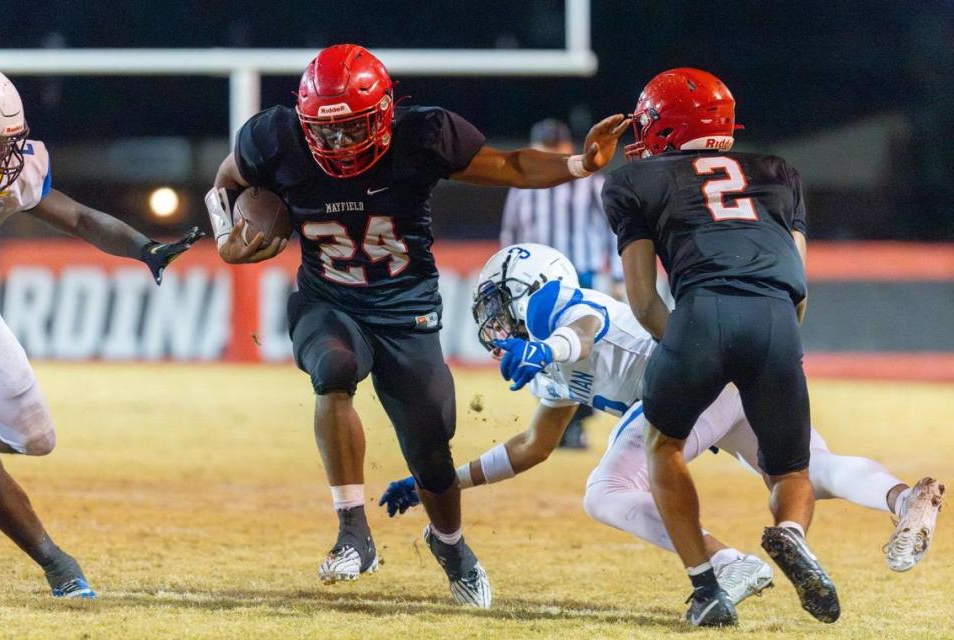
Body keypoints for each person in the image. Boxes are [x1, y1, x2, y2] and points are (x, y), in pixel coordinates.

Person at [204, 44, 629, 608]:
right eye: (323, 132)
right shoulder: (275, 137)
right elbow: (225, 180)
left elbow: (512, 166)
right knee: (332, 370)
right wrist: (224, 234)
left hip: (407, 309)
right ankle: (353, 533)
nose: (337, 144)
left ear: (383, 114)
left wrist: (580, 164)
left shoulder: (423, 136)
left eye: (351, 128)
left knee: (431, 447)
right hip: (329, 298)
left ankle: (450, 545)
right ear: (302, 121)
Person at [379, 243, 945, 607]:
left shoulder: (564, 307)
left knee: (605, 491)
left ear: (528, 291)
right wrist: (445, 481)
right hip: (726, 381)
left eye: (500, 304)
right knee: (809, 471)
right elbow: (532, 446)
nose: (495, 322)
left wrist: (544, 347)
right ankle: (902, 498)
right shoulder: (544, 362)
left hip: (690, 386)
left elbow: (582, 326)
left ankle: (729, 564)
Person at [603, 67, 834, 626]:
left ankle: (707, 588)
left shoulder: (633, 182)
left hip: (701, 312)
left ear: (663, 126)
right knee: (790, 470)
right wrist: (766, 349)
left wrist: (685, 353)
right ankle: (791, 532)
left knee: (663, 447)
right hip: (776, 317)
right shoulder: (779, 173)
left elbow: (642, 299)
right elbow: (797, 286)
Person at [0, 68, 203, 598]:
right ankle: (56, 563)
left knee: (37, 438)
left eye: (10, 144)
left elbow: (81, 218)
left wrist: (142, 247)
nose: (6, 158)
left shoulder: (15, 172)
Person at [499, 119, 623, 450]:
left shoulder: (591, 185)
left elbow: (615, 232)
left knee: (579, 353)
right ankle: (553, 424)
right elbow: (510, 236)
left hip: (579, 278)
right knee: (546, 355)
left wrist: (617, 278)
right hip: (535, 284)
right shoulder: (522, 188)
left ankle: (577, 424)